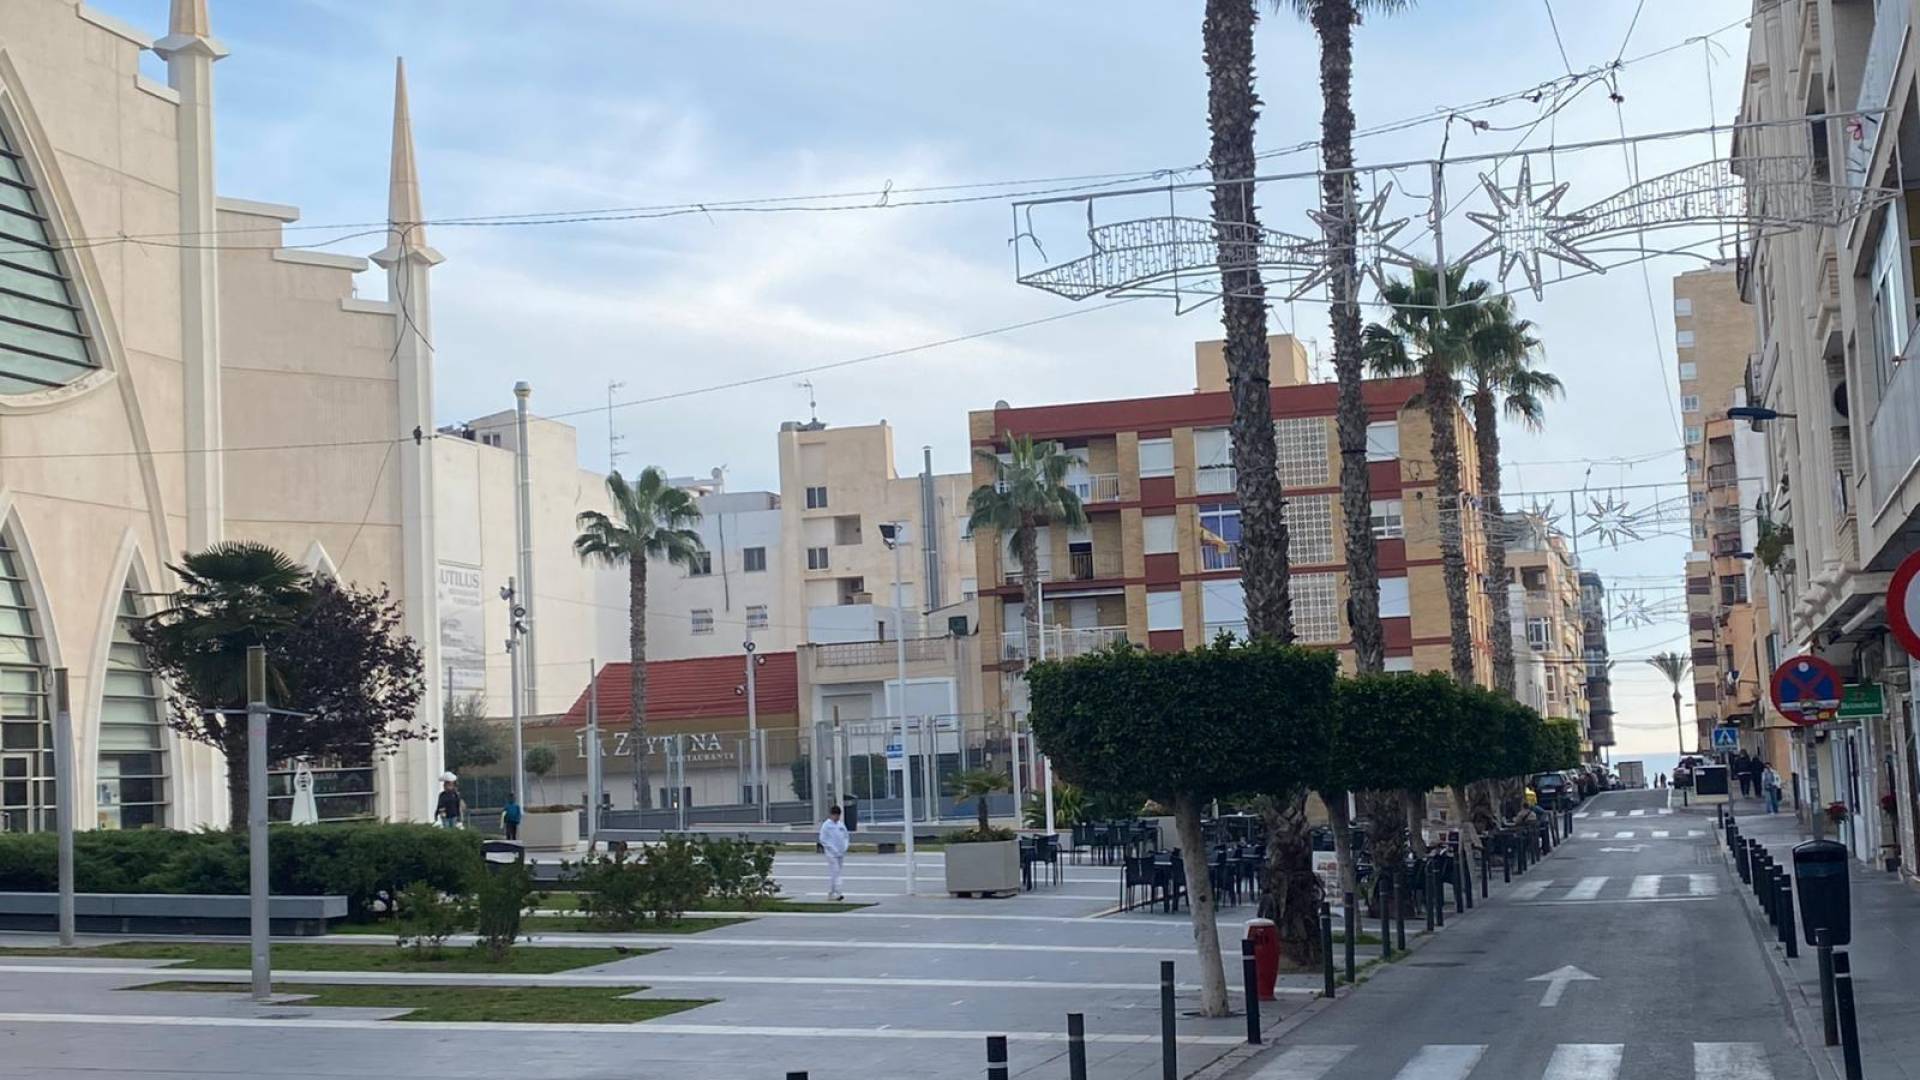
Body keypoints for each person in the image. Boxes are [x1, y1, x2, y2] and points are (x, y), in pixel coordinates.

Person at [818, 804, 850, 901]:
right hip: (831, 854)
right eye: (835, 815)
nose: (837, 817)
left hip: (841, 853)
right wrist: (832, 849)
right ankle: (839, 892)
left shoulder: (841, 825)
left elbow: (846, 837)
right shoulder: (826, 825)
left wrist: (845, 847)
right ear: (831, 815)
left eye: (838, 815)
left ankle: (831, 893)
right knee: (836, 872)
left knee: (835, 873)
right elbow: (823, 839)